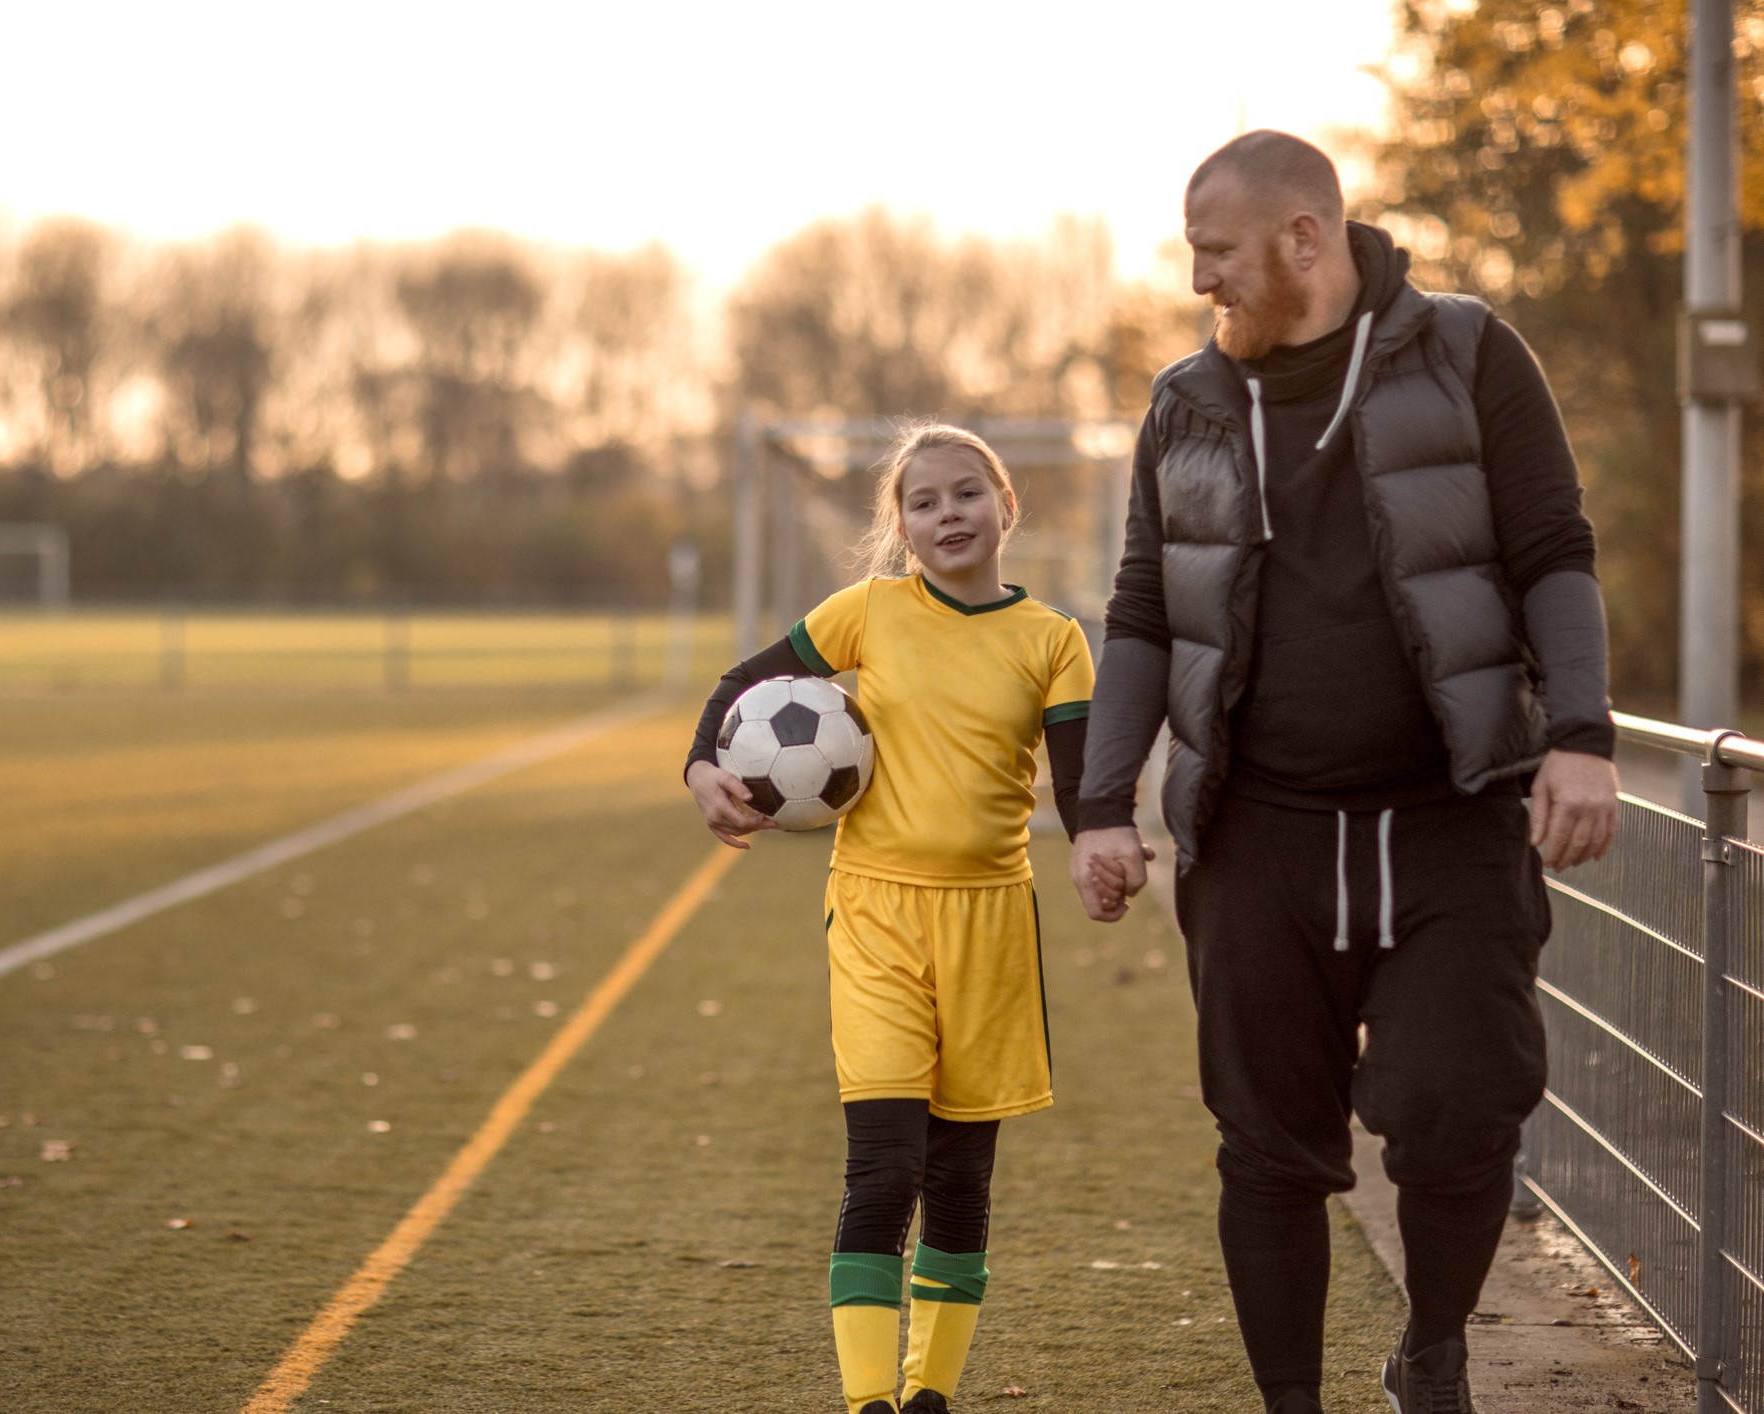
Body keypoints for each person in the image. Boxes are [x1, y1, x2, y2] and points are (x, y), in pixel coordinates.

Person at [1068, 130, 1619, 1414]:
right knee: (1267, 1149)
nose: (1201, 279)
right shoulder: (1185, 404)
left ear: (1302, 238)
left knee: (1459, 1109)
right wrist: (1102, 806)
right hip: (1259, 834)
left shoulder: (1469, 352)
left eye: (1217, 251)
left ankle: (1431, 1347)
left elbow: (1553, 546)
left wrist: (1581, 735)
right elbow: (1144, 612)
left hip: (1452, 818)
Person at [685, 424, 1095, 1414]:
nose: (947, 513)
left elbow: (1082, 793)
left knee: (960, 1178)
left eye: (966, 493)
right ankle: (869, 1397)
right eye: (923, 502)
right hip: (875, 914)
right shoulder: (867, 613)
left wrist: (1101, 847)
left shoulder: (1053, 639)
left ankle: (928, 1396)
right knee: (885, 1166)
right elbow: (737, 686)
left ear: (1007, 505)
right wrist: (704, 766)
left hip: (991, 927)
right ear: (901, 528)